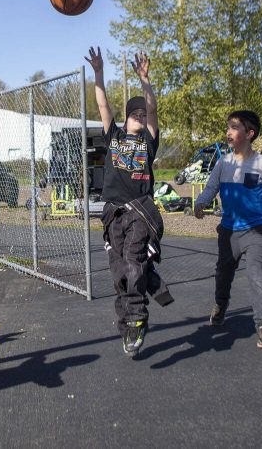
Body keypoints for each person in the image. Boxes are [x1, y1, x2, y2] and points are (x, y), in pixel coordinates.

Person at [85, 46, 170, 358]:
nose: (140, 116)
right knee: (120, 271)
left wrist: (145, 81)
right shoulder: (114, 136)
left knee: (133, 264)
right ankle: (129, 324)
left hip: (138, 212)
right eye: (135, 113)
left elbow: (153, 109)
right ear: (126, 117)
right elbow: (102, 103)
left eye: (143, 114)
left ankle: (136, 319)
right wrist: (98, 72)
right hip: (113, 214)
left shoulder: (147, 142)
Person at [193, 110, 262, 349]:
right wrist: (201, 202)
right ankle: (220, 306)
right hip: (228, 231)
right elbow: (210, 188)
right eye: (228, 127)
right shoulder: (223, 163)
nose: (228, 132)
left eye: (234, 127)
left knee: (257, 275)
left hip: (257, 230)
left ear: (250, 133)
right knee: (224, 274)